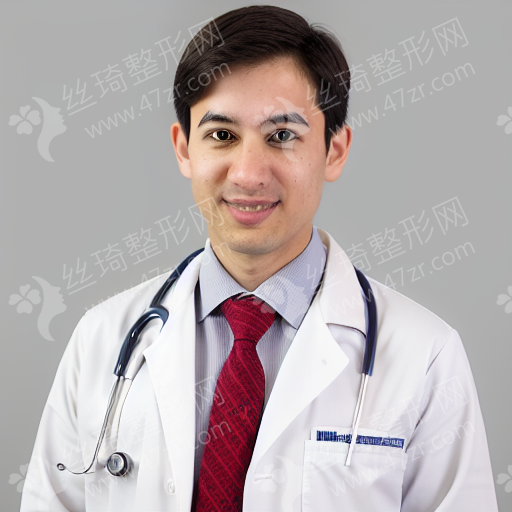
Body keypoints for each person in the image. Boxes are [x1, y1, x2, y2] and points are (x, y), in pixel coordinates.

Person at [21, 5, 498, 512]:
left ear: (334, 150)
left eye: (282, 136)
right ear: (184, 149)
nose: (248, 174)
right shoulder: (101, 339)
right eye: (222, 135)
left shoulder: (425, 356)